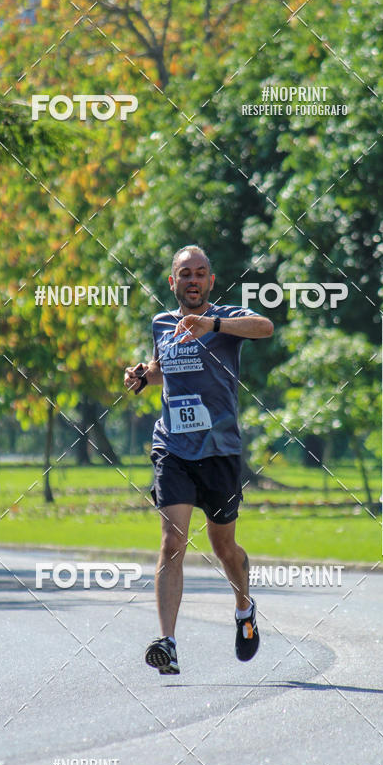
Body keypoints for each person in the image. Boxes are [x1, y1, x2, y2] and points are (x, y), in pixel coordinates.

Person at [124, 245, 274, 674]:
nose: (193, 279)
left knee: (223, 547)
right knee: (172, 541)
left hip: (220, 451)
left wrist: (213, 324)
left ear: (210, 281)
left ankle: (244, 608)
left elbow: (265, 327)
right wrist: (142, 376)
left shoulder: (227, 319)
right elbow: (163, 368)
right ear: (173, 282)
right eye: (185, 273)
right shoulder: (161, 323)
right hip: (173, 446)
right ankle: (168, 643)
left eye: (200, 272)